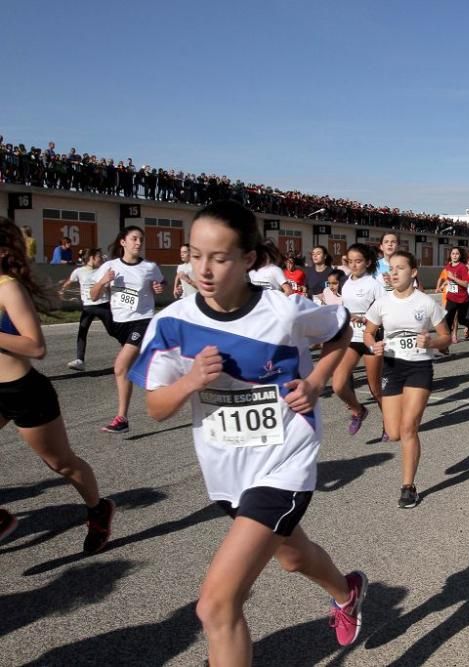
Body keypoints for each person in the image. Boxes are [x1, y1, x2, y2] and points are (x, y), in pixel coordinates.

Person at [128, 200, 367, 662]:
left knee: (216, 606)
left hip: (283, 463)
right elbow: (155, 408)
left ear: (249, 259)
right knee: (292, 556)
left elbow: (343, 334)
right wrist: (191, 381)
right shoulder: (173, 321)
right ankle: (347, 592)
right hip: (226, 471)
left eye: (219, 258)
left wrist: (316, 382)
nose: (205, 269)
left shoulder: (284, 310)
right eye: (195, 255)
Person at [0, 216, 115, 553]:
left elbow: (36, 346)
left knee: (61, 463)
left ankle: (98, 510)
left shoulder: (8, 288)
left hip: (22, 391)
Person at [364, 251, 450, 508]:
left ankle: (408, 486)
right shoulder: (382, 303)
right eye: (391, 268)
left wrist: (432, 341)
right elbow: (368, 333)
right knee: (392, 432)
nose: (394, 272)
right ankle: (408, 470)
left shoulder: (425, 303)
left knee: (408, 428)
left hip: (419, 367)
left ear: (413, 272)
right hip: (392, 367)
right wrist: (373, 345)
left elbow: (446, 338)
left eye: (400, 268)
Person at [90, 226, 165, 433]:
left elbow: (160, 284)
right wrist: (104, 281)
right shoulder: (110, 266)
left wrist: (159, 288)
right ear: (123, 242)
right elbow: (94, 295)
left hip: (142, 320)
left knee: (120, 367)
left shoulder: (149, 267)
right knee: (131, 368)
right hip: (119, 324)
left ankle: (122, 418)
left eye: (141, 239)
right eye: (134, 239)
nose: (138, 243)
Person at [332, 243, 385, 439]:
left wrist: (365, 319)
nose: (354, 265)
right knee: (338, 384)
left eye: (358, 261)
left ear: (368, 262)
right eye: (350, 261)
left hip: (371, 337)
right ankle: (358, 410)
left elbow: (386, 313)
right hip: (351, 338)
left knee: (375, 389)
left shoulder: (374, 285)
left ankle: (388, 423)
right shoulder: (345, 283)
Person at [60, 248, 113, 371]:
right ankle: (80, 360)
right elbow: (69, 282)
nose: (101, 258)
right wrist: (62, 291)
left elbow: (111, 286)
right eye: (99, 256)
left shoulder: (103, 271)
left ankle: (133, 350)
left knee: (114, 331)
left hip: (103, 305)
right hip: (88, 307)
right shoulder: (79, 271)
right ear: (92, 257)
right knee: (82, 332)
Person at [442, 247, 469, 344]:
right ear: (450, 255)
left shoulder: (462, 267)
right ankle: (445, 343)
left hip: (462, 299)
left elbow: (466, 284)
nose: (454, 255)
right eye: (453, 253)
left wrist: (454, 278)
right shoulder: (448, 266)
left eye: (457, 254)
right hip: (451, 298)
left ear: (460, 256)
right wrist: (444, 283)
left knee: (462, 320)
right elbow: (449, 280)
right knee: (447, 321)